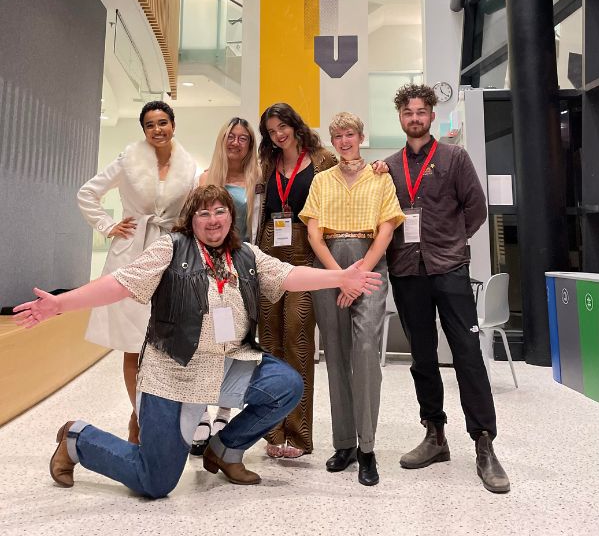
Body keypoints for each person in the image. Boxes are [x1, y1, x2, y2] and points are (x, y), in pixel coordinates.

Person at [13, 185, 383, 498]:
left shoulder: (246, 255)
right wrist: (60, 304)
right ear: (191, 220)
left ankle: (224, 450)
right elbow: (119, 283)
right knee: (155, 481)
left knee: (285, 384)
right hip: (174, 372)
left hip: (228, 363)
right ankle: (78, 439)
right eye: (203, 214)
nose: (213, 220)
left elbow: (288, 275)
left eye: (220, 211)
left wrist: (339, 277)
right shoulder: (170, 249)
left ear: (230, 217)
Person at [382, 83, 510, 494]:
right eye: (408, 113)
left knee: (468, 355)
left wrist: (453, 242)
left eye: (421, 111)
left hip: (450, 269)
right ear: (400, 118)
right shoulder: (388, 167)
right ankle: (435, 435)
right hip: (406, 270)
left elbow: (476, 209)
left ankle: (484, 444)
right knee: (421, 356)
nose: (415, 118)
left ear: (432, 115)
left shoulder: (455, 158)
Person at [77, 100, 197, 443]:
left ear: (173, 124)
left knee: (164, 344)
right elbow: (88, 193)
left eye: (163, 122)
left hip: (170, 257)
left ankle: (147, 417)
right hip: (131, 255)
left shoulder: (189, 167)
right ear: (143, 130)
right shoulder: (128, 159)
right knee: (134, 343)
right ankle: (140, 420)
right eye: (150, 125)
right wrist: (108, 225)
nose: (157, 129)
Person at [300, 112, 405, 486]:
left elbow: (387, 230)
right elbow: (314, 235)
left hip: (368, 263)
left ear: (361, 136)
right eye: (338, 135)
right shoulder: (321, 181)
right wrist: (339, 277)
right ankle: (344, 443)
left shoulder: (380, 178)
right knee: (335, 354)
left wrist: (357, 276)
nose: (344, 141)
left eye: (350, 134)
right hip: (328, 264)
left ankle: (367, 448)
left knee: (363, 351)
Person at [256, 102, 337, 459]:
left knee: (298, 338)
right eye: (272, 132)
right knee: (269, 344)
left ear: (295, 123)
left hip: (305, 256)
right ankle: (273, 432)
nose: (278, 135)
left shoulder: (323, 159)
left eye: (282, 127)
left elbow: (351, 181)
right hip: (268, 255)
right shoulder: (267, 166)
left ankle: (300, 438)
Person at [190, 116, 261, 455]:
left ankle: (224, 411)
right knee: (207, 342)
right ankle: (201, 413)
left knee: (235, 343)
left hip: (242, 271)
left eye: (243, 138)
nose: (236, 143)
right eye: (231, 136)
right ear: (222, 140)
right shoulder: (204, 178)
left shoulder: (257, 180)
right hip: (208, 272)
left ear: (250, 145)